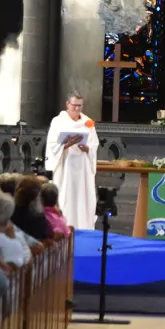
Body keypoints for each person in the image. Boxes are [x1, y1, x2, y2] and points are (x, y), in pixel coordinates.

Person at [44, 92, 98, 230]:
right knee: (65, 196)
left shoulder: (88, 122)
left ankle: (84, 227)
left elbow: (94, 144)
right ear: (67, 104)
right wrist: (67, 144)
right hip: (65, 165)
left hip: (83, 167)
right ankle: (64, 226)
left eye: (80, 106)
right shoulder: (58, 121)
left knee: (83, 197)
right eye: (74, 105)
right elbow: (51, 145)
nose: (77, 109)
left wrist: (87, 148)